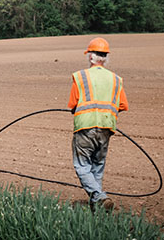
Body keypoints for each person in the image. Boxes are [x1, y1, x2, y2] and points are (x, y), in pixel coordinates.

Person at [68, 37, 128, 211]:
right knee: (98, 166)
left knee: (81, 165)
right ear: (105, 58)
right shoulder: (116, 79)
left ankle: (100, 196)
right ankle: (98, 208)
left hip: (85, 127)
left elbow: (73, 104)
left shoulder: (80, 76)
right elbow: (123, 105)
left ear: (90, 57)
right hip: (106, 127)